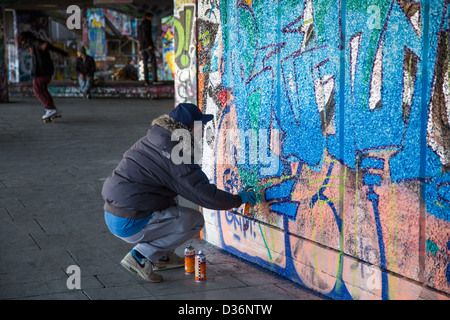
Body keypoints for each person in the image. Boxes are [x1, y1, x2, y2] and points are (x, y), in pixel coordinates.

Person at [101, 103, 257, 282]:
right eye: (200, 126)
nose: (203, 130)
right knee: (194, 220)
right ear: (189, 128)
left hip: (114, 212)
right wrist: (237, 199)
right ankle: (141, 257)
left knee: (173, 201)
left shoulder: (153, 139)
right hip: (130, 221)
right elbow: (201, 192)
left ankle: (162, 257)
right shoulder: (176, 151)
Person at [18, 31, 68, 120]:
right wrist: (64, 53)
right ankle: (52, 109)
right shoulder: (33, 43)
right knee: (43, 90)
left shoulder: (33, 41)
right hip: (46, 71)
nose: (24, 44)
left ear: (24, 39)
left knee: (37, 89)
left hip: (42, 71)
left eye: (23, 42)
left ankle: (49, 108)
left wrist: (63, 53)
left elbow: (46, 45)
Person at [138, 12, 157, 84]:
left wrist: (140, 46)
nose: (152, 19)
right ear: (148, 17)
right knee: (153, 62)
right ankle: (154, 80)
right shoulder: (147, 24)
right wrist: (149, 45)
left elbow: (139, 37)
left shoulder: (140, 26)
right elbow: (147, 35)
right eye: (151, 17)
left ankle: (146, 81)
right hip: (147, 46)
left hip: (142, 47)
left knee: (145, 63)